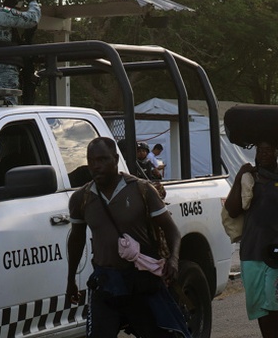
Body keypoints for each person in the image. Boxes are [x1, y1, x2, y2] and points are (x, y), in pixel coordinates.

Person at [65, 137, 189, 337]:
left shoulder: (141, 190)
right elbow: (76, 240)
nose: (96, 166)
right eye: (91, 161)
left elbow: (171, 229)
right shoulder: (82, 198)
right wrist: (70, 279)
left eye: (102, 159)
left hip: (140, 283)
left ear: (115, 159)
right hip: (105, 283)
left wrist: (173, 260)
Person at [224, 141, 278, 338]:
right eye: (259, 150)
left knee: (274, 301)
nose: (263, 153)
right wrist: (238, 177)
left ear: (277, 152)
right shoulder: (249, 177)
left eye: (267, 149)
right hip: (250, 252)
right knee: (259, 306)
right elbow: (232, 209)